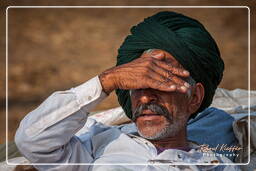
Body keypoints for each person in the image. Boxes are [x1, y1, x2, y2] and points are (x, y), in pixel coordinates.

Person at [15, 11, 240, 170]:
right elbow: (33, 140)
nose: (144, 97)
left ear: (194, 98)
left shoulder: (216, 165)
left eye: (160, 84)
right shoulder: (97, 144)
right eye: (135, 86)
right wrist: (107, 80)